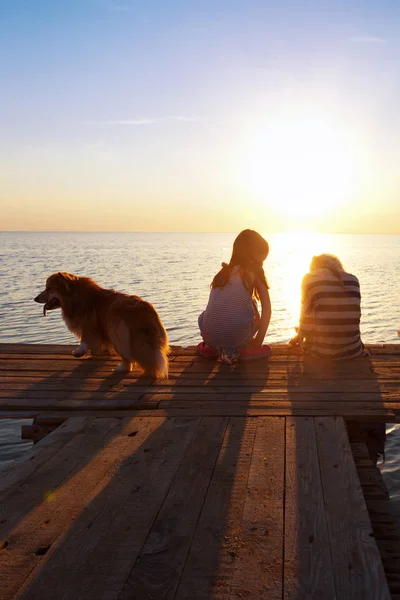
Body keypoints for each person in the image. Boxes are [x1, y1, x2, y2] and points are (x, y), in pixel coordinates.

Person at [198, 229, 272, 364]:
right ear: (251, 253)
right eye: (261, 258)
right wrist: (258, 342)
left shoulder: (222, 273)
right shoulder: (255, 272)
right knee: (254, 309)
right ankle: (241, 349)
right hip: (239, 337)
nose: (262, 263)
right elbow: (267, 309)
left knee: (204, 316)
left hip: (210, 336)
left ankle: (211, 347)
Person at [290, 253, 367, 359]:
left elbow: (306, 319)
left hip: (322, 353)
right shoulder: (353, 280)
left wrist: (299, 337)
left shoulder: (310, 279)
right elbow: (351, 317)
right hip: (353, 351)